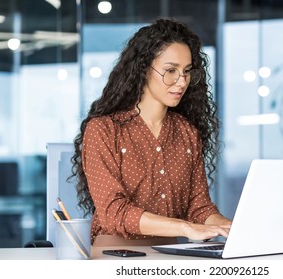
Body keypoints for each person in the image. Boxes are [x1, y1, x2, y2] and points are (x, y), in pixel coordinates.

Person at [71, 17, 231, 246]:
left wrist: (225, 225)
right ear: (143, 69)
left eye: (187, 71)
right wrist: (184, 227)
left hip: (170, 253)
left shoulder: (187, 132)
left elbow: (199, 207)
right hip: (114, 255)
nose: (182, 81)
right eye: (171, 70)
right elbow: (113, 212)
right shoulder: (103, 130)